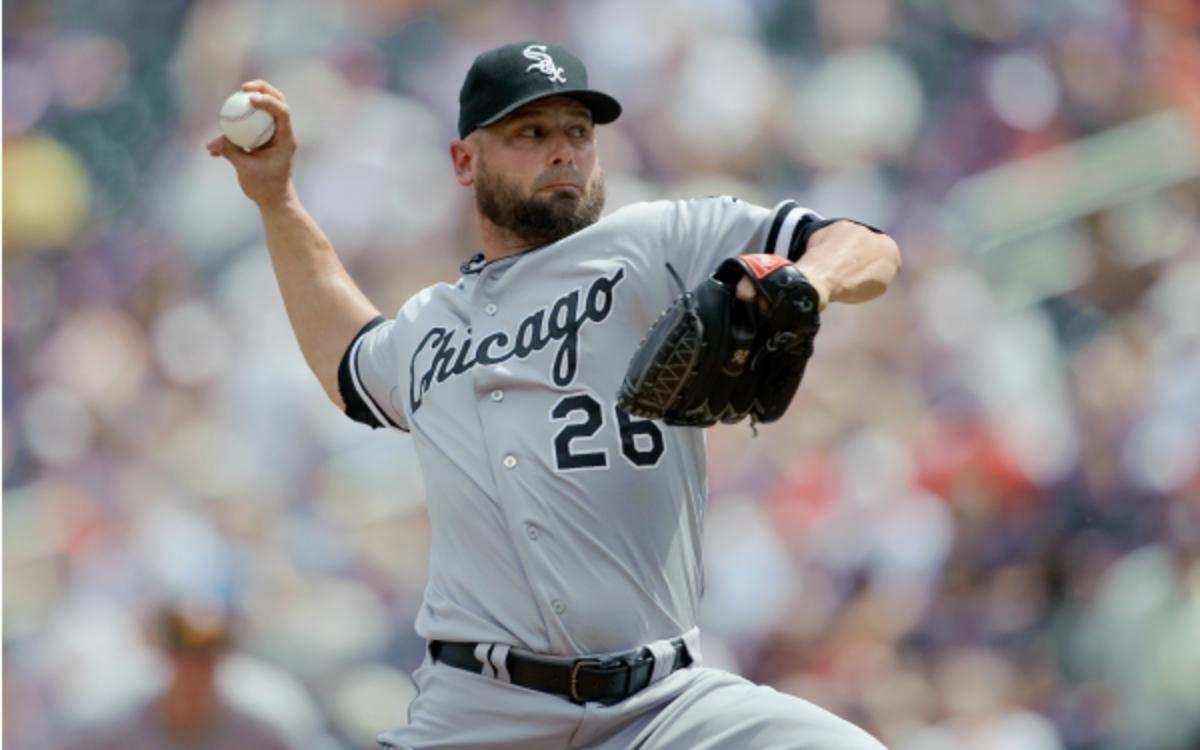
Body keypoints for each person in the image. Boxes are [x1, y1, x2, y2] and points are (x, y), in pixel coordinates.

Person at [208, 40, 899, 750]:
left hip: (664, 705)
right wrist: (277, 199)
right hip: (479, 715)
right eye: (530, 133)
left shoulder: (658, 241)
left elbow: (866, 246)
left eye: (577, 130)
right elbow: (347, 361)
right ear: (464, 162)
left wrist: (810, 283)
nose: (563, 150)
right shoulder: (428, 326)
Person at [57, 603, 289, 750]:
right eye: (185, 658)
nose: (194, 673)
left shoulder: (260, 733)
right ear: (167, 656)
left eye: (204, 660)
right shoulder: (115, 727)